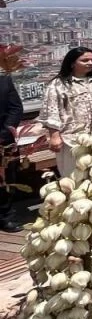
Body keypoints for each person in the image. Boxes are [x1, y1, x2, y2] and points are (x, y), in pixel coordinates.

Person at [39, 47, 92, 177]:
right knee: (73, 175)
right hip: (72, 139)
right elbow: (51, 111)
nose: (90, 63)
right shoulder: (58, 84)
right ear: (72, 63)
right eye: (85, 60)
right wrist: (54, 136)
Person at [0, 73, 24, 231]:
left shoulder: (4, 81)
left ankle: (5, 216)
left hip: (4, 141)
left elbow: (16, 108)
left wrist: (4, 133)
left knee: (7, 178)